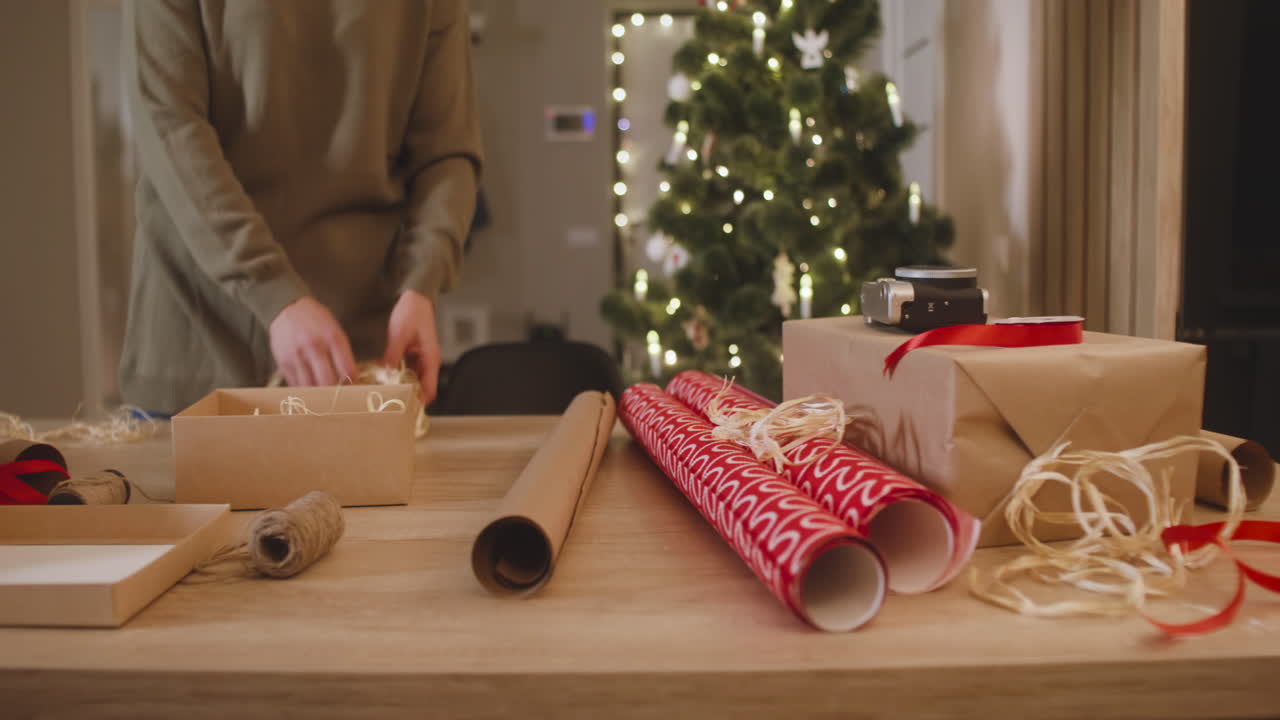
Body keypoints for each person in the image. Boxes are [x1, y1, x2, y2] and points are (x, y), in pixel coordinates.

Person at [119, 0, 483, 415]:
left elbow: (446, 153)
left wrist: (422, 283)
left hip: (357, 370)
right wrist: (276, 293)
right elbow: (172, 131)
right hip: (200, 362)